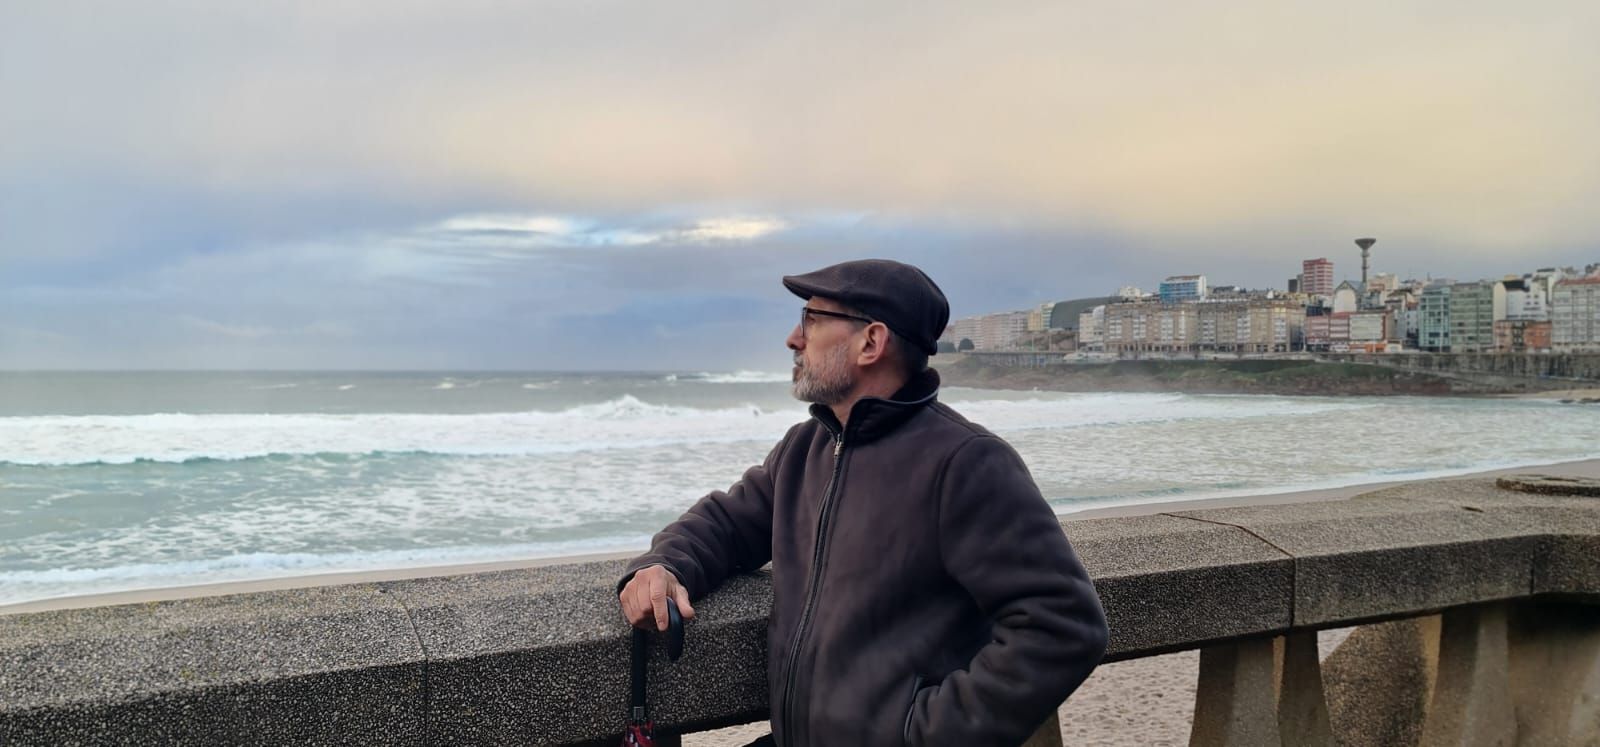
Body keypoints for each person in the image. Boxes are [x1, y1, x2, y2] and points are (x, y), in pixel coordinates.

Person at [618, 259, 1107, 746]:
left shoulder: (965, 463)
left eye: (812, 319)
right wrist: (664, 566)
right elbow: (727, 523)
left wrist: (923, 734)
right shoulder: (805, 448)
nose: (793, 339)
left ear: (871, 342)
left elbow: (1062, 625)